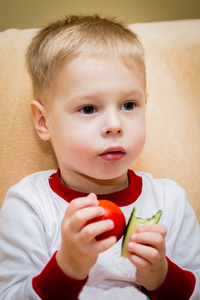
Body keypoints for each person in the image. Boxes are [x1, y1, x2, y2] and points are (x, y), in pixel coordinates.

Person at [0, 15, 199, 300]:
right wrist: (66, 267)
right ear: (43, 121)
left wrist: (162, 277)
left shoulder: (170, 200)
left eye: (129, 104)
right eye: (89, 109)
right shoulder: (29, 204)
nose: (114, 124)